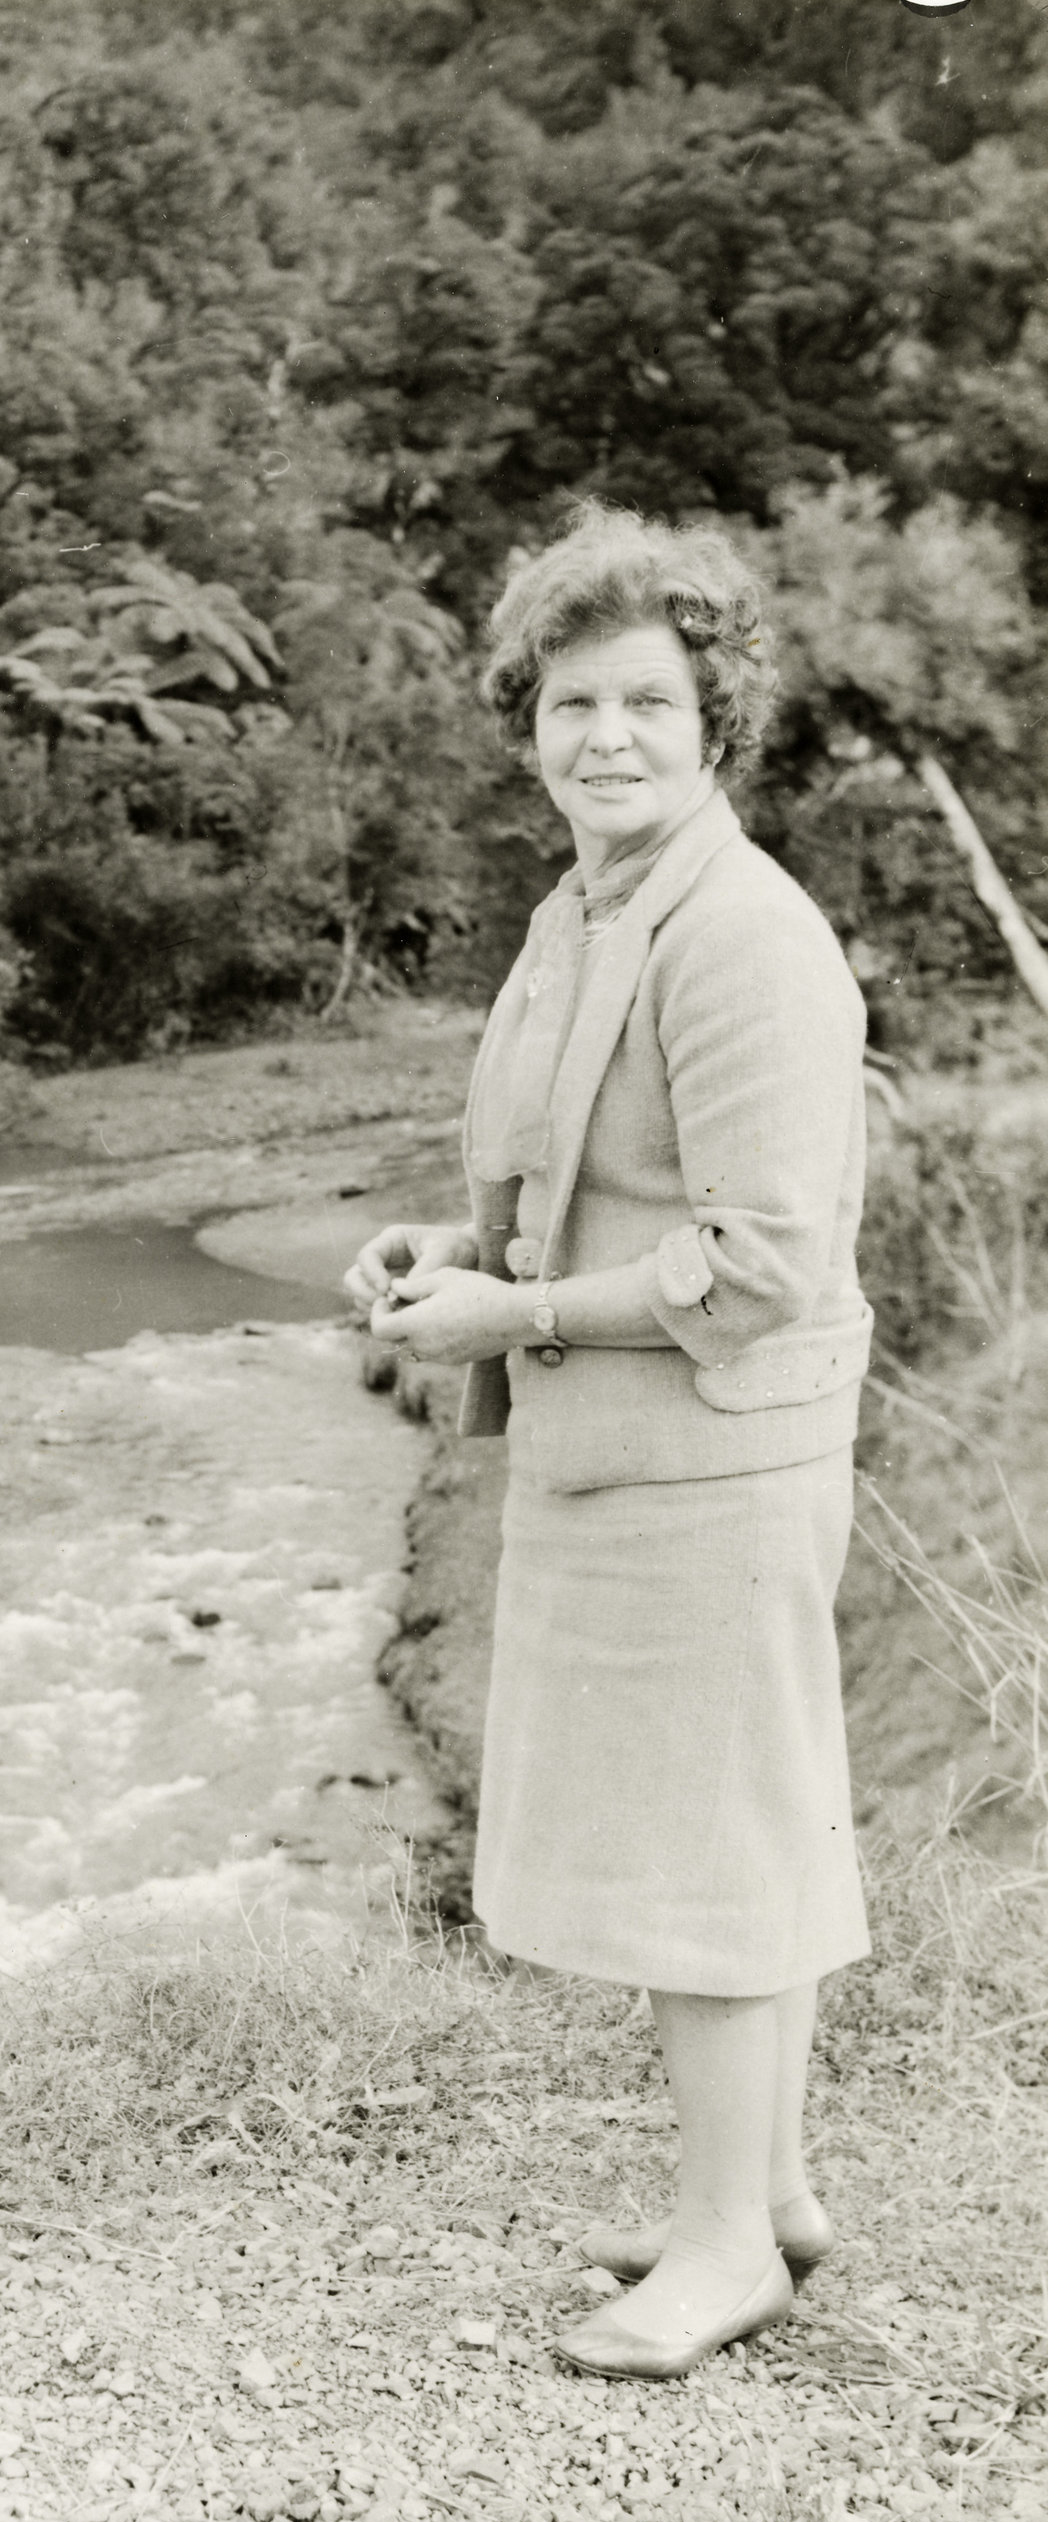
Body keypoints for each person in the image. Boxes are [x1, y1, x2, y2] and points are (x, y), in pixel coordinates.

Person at [346, 502, 872, 2381]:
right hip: (629, 1458)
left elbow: (762, 1268)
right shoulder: (586, 913)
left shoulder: (742, 939)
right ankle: (774, 2193)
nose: (608, 737)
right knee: (702, 1826)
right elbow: (566, 1182)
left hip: (715, 1454)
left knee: (718, 1849)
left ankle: (725, 2246)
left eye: (649, 699)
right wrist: (446, 1251)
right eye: (573, 702)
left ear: (716, 716)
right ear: (529, 724)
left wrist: (515, 1319)